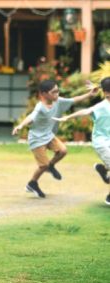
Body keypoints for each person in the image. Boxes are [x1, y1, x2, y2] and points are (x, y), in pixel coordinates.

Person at [12, 78, 98, 198]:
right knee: (43, 166)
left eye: (57, 91)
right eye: (54, 92)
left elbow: (74, 100)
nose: (57, 94)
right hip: (37, 139)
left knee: (63, 151)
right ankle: (32, 183)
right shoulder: (40, 107)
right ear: (43, 94)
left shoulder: (58, 101)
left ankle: (51, 166)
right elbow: (31, 117)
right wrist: (20, 126)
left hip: (49, 135)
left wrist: (89, 94)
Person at [54, 77, 110, 206]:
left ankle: (103, 171)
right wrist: (67, 117)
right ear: (107, 93)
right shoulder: (101, 106)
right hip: (101, 142)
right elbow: (85, 111)